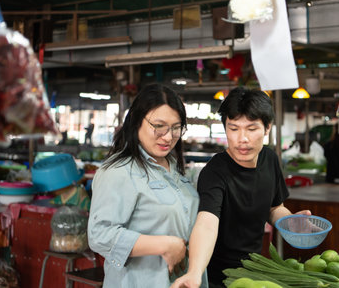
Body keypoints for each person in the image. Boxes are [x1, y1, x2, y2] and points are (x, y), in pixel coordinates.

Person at [171, 87, 310, 288]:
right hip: (220, 276)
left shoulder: (269, 159)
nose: (241, 139)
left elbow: (274, 208)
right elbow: (207, 223)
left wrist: (292, 222)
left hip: (254, 270)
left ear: (267, 128)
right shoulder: (215, 171)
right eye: (233, 128)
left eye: (251, 129)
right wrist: (194, 272)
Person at [87, 84, 208, 288]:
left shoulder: (172, 168)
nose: (168, 136)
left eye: (176, 128)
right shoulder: (119, 172)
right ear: (136, 122)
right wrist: (165, 245)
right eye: (159, 126)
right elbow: (99, 234)